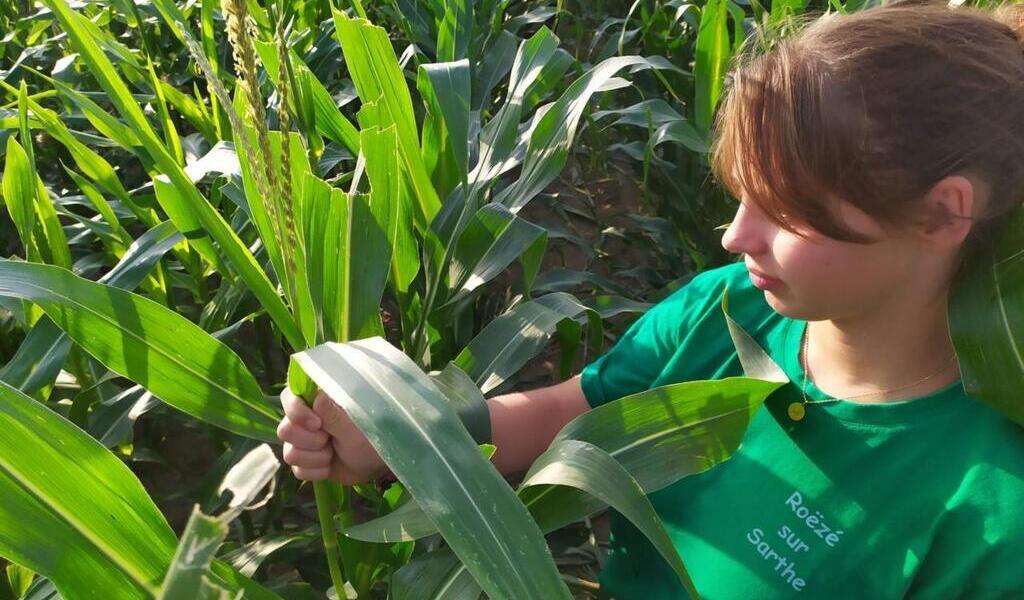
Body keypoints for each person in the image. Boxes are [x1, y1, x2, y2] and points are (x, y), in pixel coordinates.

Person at [278, 2, 1024, 598]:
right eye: (741, 197)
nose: (735, 237)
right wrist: (397, 438)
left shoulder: (994, 511)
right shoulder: (724, 310)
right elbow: (572, 415)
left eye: (786, 212)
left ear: (942, 213)